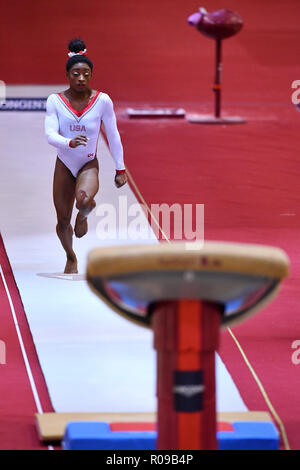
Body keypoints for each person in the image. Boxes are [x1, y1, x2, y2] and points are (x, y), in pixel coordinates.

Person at [45, 38, 127, 274]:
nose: (81, 78)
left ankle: (83, 215)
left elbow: (113, 135)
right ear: (68, 75)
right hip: (64, 162)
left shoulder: (102, 101)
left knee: (83, 200)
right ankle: (71, 257)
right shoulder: (55, 101)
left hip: (88, 163)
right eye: (76, 74)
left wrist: (120, 169)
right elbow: (50, 134)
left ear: (92, 75)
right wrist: (68, 142)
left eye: (86, 74)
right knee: (62, 222)